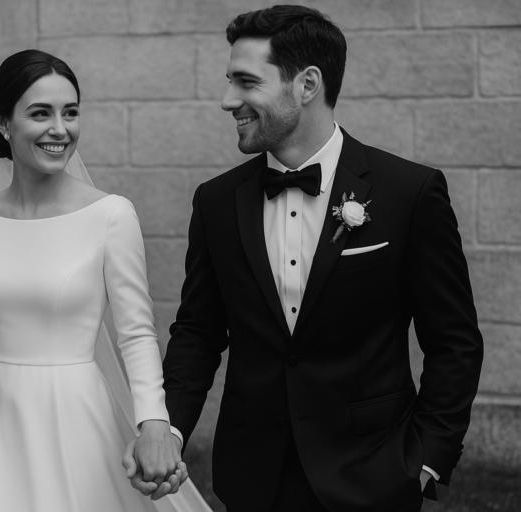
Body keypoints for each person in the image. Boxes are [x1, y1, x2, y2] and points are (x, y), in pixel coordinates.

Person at [140, 6, 483, 512]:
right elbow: (198, 332)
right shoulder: (215, 202)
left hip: (375, 474)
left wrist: (427, 461)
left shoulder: (409, 193)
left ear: (307, 85)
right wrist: (168, 430)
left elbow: (454, 341)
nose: (227, 100)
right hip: (253, 477)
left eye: (245, 82)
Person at [0, 50, 211, 512]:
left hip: (72, 411)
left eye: (70, 112)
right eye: (41, 113)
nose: (60, 129)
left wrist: (153, 422)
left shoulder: (111, 215)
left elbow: (136, 334)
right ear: (2, 123)